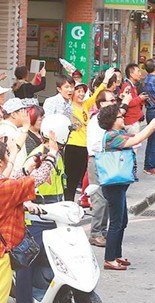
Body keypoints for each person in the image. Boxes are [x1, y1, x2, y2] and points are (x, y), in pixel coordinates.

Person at [0, 137, 56, 303]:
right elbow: (34, 181)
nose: (9, 158)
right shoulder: (3, 188)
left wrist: (29, 167)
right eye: (8, 155)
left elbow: (13, 180)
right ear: (0, 163)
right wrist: (52, 155)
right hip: (0, 250)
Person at [14, 115, 65, 303]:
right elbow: (27, 182)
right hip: (34, 219)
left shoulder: (58, 155)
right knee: (27, 260)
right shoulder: (39, 156)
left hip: (55, 217)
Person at [97, 104, 155, 270]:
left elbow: (136, 136)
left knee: (122, 220)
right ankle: (109, 259)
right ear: (112, 121)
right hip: (114, 185)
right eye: (119, 117)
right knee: (116, 222)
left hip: (121, 183)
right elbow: (137, 139)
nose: (122, 118)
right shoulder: (111, 136)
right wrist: (152, 125)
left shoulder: (119, 133)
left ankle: (117, 255)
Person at [63, 68, 113, 202]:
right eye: (78, 91)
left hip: (84, 146)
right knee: (70, 177)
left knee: (78, 176)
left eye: (82, 91)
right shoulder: (68, 106)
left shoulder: (85, 105)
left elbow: (97, 95)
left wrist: (106, 80)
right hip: (72, 146)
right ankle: (68, 202)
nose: (81, 94)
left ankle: (73, 201)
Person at [85, 90, 119, 247]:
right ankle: (96, 233)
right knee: (99, 198)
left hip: (106, 160)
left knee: (107, 198)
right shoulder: (96, 121)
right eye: (111, 100)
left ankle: (103, 231)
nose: (114, 103)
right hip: (98, 160)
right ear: (102, 104)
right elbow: (95, 145)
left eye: (115, 100)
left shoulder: (108, 120)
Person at [0, 98, 30, 175]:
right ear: (13, 114)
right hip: (12, 178)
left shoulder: (11, 129)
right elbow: (16, 160)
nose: (26, 114)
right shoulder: (8, 132)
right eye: (23, 111)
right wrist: (26, 127)